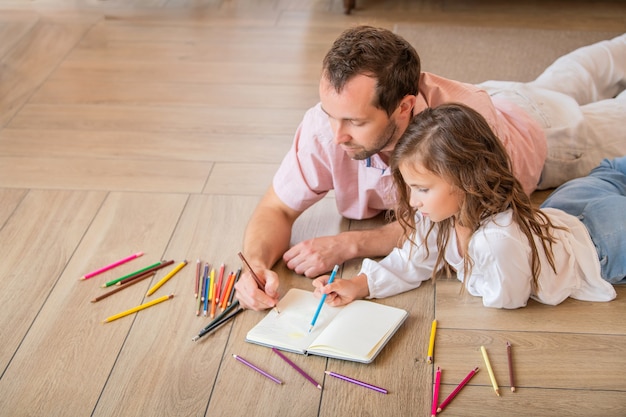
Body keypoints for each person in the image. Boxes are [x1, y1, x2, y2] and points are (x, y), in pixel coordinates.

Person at [235, 25, 626, 310]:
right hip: (501, 94)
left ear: (404, 107)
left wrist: (352, 244)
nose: (336, 135)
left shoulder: (464, 148)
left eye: (354, 122)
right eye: (329, 114)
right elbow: (276, 207)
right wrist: (253, 266)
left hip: (543, 131)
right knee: (581, 72)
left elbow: (446, 236)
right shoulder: (330, 126)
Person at [312, 103, 618, 309]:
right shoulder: (439, 214)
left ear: (466, 180)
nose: (413, 200)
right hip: (566, 208)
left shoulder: (497, 241)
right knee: (611, 172)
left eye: (421, 189)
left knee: (613, 172)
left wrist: (465, 253)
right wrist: (358, 284)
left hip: (605, 243)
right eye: (409, 187)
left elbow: (507, 299)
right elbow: (411, 260)